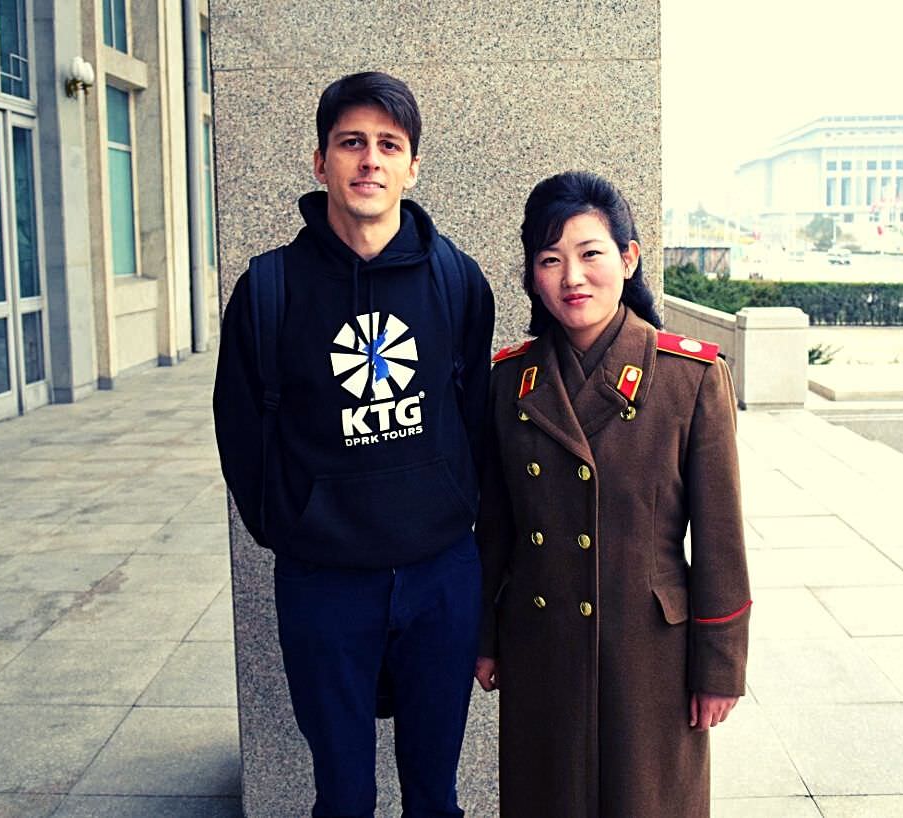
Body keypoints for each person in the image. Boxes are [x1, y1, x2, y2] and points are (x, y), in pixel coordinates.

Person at [213, 71, 495, 817]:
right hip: (324, 582)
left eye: (388, 145)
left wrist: (453, 509)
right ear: (321, 163)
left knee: (435, 795)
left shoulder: (458, 282)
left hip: (440, 576)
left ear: (412, 166)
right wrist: (291, 528)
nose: (370, 160)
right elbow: (239, 429)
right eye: (351, 143)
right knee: (342, 796)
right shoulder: (269, 288)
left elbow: (474, 418)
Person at [473, 171, 750, 818]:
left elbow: (720, 542)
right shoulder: (508, 383)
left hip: (650, 653)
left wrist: (719, 666)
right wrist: (484, 635)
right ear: (532, 277)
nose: (572, 276)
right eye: (550, 260)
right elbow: (496, 527)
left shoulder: (689, 378)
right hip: (541, 645)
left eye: (590, 253)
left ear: (627, 258)